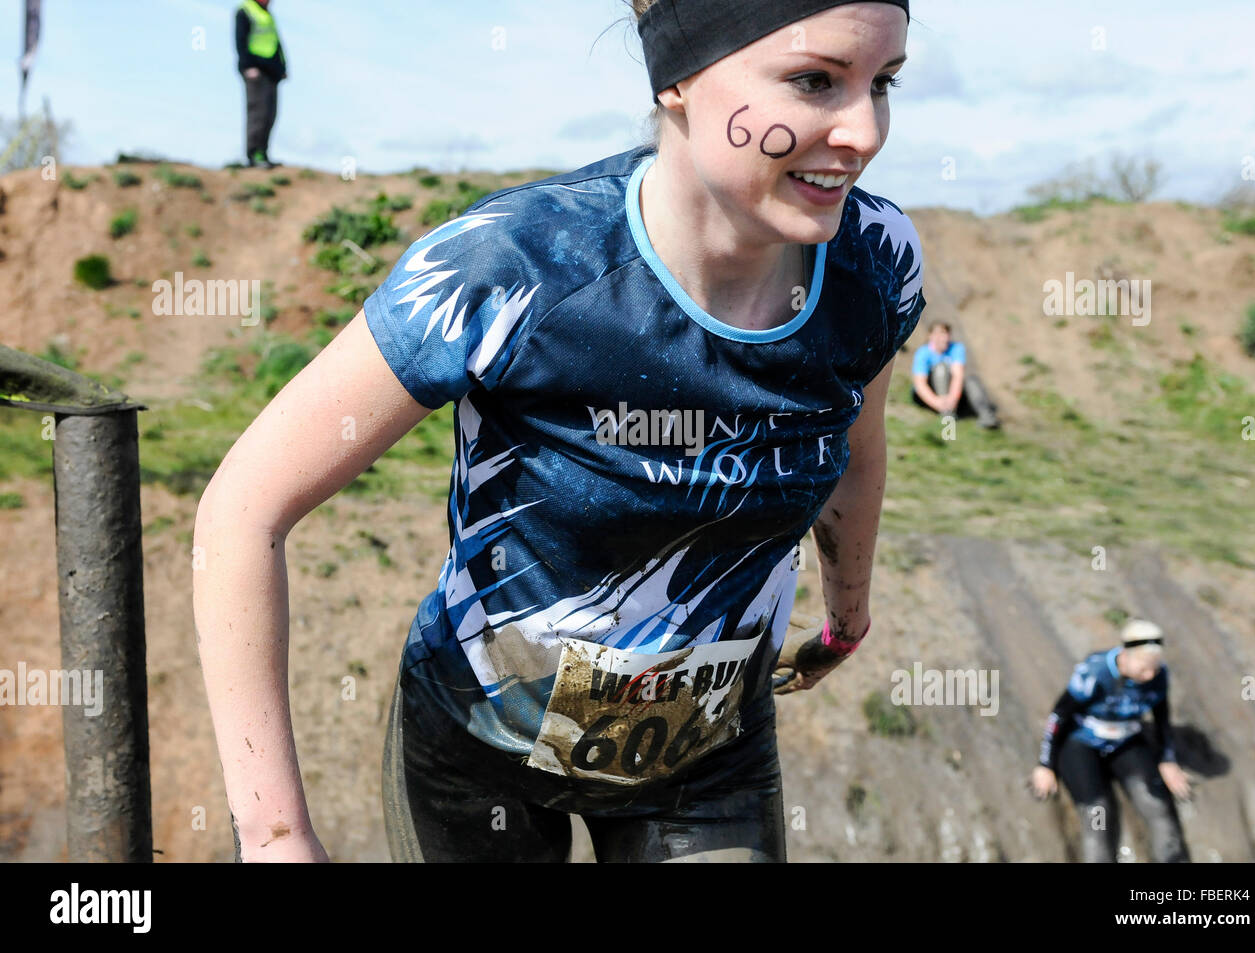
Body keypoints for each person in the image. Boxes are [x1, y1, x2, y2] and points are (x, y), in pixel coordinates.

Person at [194, 0, 923, 863]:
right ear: (679, 79)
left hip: (706, 762)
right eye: (815, 82)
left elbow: (853, 453)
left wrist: (846, 616)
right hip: (480, 757)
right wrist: (276, 837)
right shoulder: (511, 269)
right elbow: (243, 510)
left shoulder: (875, 262)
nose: (864, 131)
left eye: (883, 84)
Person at [1030, 619, 1192, 863]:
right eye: (1144, 668)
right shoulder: (1096, 672)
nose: (1149, 674)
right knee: (1098, 814)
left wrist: (1167, 759)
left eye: (1155, 668)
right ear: (1125, 655)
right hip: (1081, 741)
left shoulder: (1159, 675)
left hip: (1126, 739)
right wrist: (1046, 765)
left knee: (1155, 802)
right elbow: (1059, 716)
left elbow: (1162, 718)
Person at [910, 320, 1000, 428]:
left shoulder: (956, 348)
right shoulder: (923, 353)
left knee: (972, 380)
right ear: (930, 336)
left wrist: (952, 400)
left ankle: (987, 416)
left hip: (952, 393)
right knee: (940, 368)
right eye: (939, 333)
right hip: (930, 393)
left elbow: (958, 376)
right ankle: (947, 413)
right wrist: (937, 403)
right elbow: (920, 384)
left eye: (945, 333)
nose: (943, 338)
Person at [234, 0, 287, 169]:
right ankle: (254, 154)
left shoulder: (267, 15)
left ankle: (263, 153)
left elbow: (276, 42)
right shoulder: (245, 10)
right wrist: (248, 66)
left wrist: (282, 67)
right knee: (258, 112)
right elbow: (240, 40)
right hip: (256, 70)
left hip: (272, 72)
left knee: (270, 113)